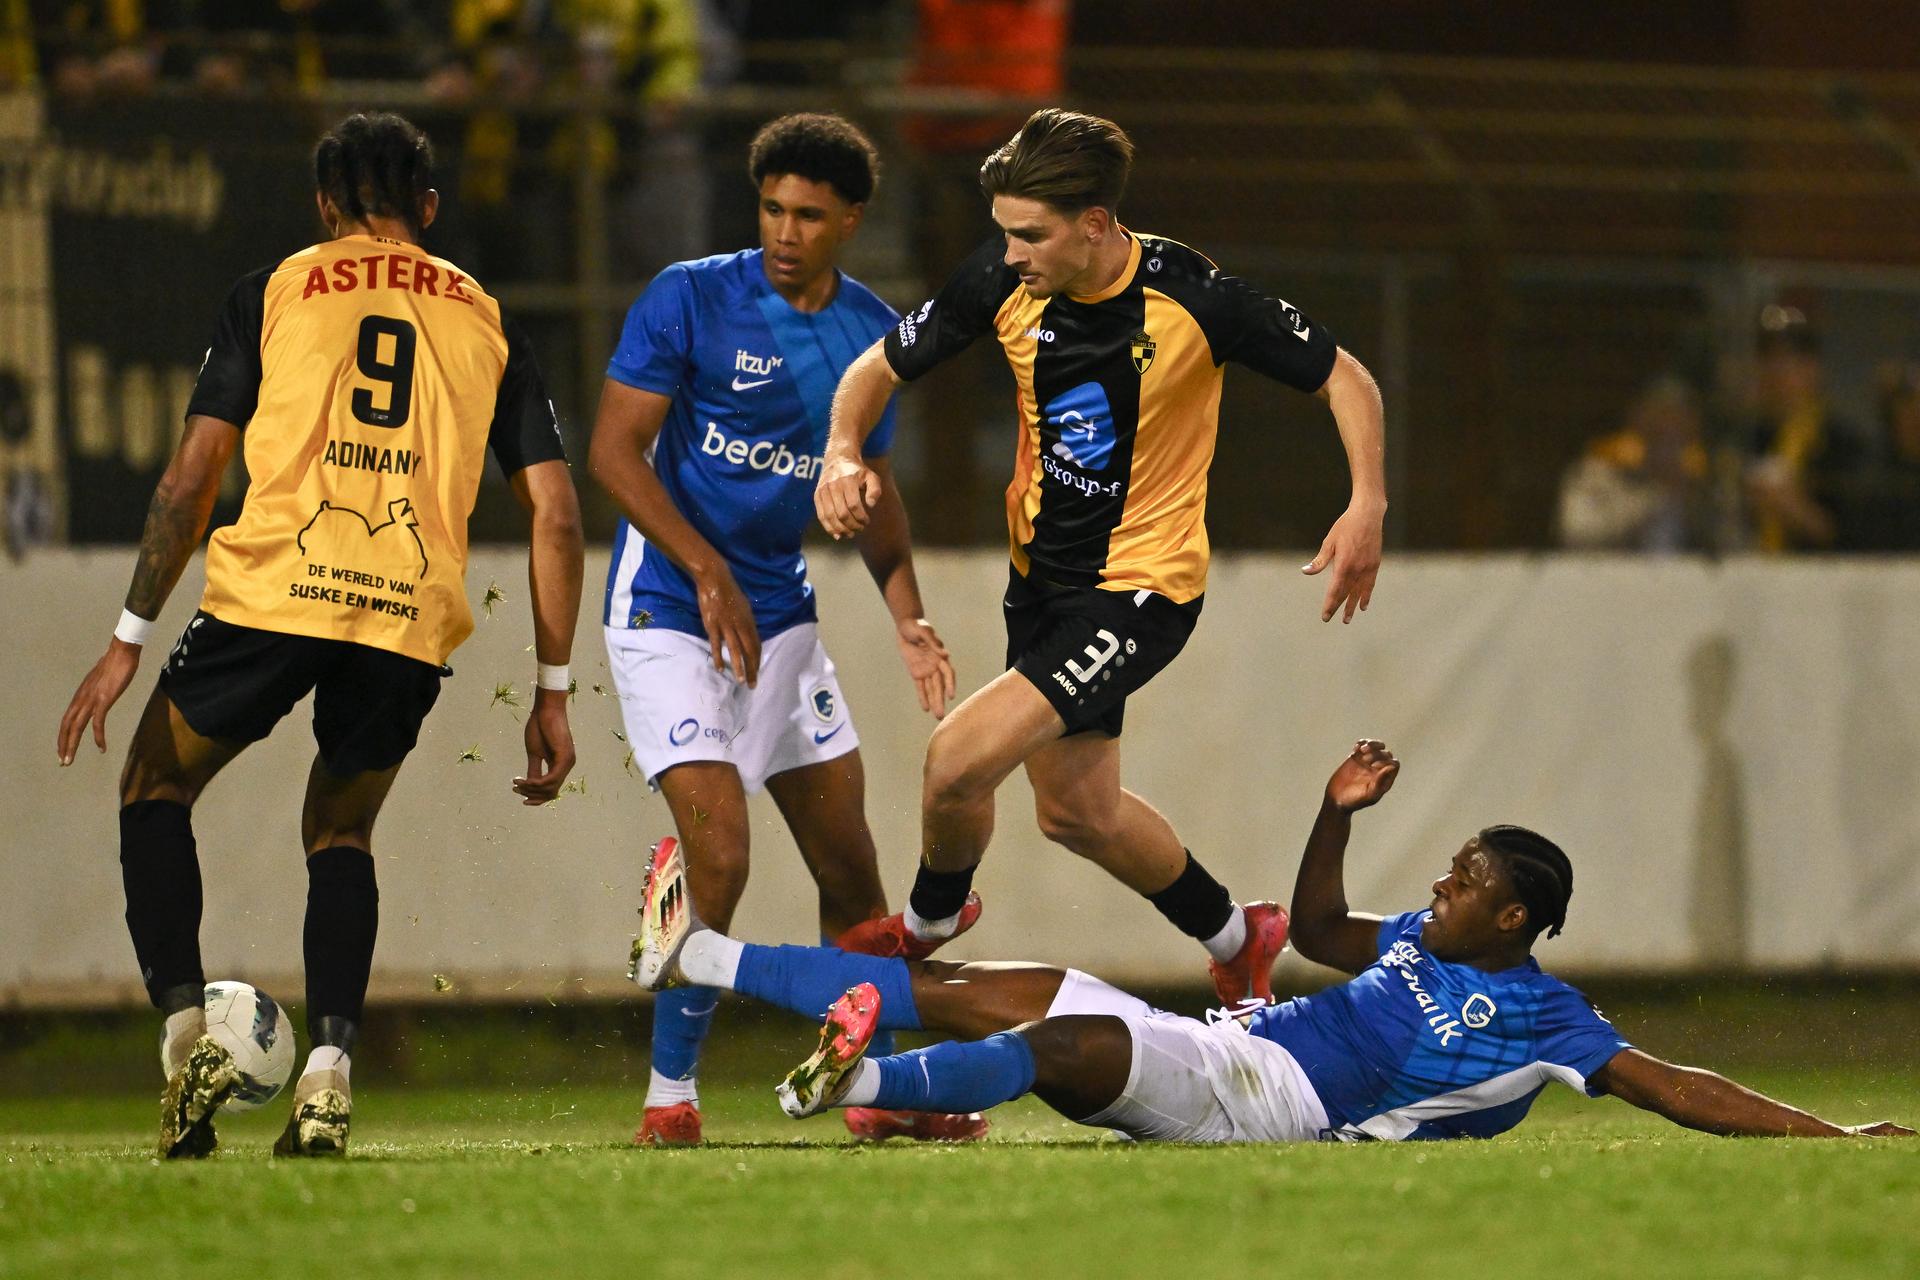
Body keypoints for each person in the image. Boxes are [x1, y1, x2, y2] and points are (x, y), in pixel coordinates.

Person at [54, 112, 583, 1159]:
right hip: (406, 611)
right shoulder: (487, 318)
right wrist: (553, 689)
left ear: (324, 205)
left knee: (154, 785)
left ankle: (184, 1045)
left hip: (273, 591)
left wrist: (128, 635)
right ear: (428, 207)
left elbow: (191, 476)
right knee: (341, 835)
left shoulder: (278, 287)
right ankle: (331, 1071)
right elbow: (558, 515)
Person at [633, 741, 1914, 1145]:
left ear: (1514, 917)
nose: (1444, 882)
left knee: (1061, 1043)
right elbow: (1316, 927)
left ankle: (858, 1076)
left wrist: (1831, 1133)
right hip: (1220, 1041)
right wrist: (1333, 811)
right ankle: (701, 959)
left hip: (1269, 1106)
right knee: (963, 984)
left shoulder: (1544, 1016)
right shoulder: (1421, 941)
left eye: (1466, 878)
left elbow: (1673, 1083)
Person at [814, 108, 1387, 1004]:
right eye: (1004, 232)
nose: (1010, 254)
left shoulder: (1196, 299)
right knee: (1078, 814)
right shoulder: (1003, 279)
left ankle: (922, 933)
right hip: (1043, 585)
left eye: (1030, 235)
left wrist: (1367, 502)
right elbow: (874, 370)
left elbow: (1345, 377)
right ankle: (1240, 937)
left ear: (1094, 224)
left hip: (1142, 590)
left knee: (956, 763)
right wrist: (842, 450)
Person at [589, 112, 978, 1146]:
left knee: (850, 868)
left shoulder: (872, 337)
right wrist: (706, 568)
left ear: (852, 219)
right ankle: (669, 1097)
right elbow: (614, 453)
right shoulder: (689, 296)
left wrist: (908, 614)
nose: (785, 231)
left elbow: (872, 485)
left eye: (808, 214)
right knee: (720, 856)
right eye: (771, 209)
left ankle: (877, 1088)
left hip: (780, 620)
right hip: (667, 609)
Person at [1557, 377, 1715, 553]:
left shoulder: (1708, 477)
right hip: (1616, 569)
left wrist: (1692, 498)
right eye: (1659, 415)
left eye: (1680, 417)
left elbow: (1729, 543)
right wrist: (1656, 497)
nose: (1668, 425)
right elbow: (1577, 533)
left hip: (1689, 570)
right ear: (1636, 418)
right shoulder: (1598, 472)